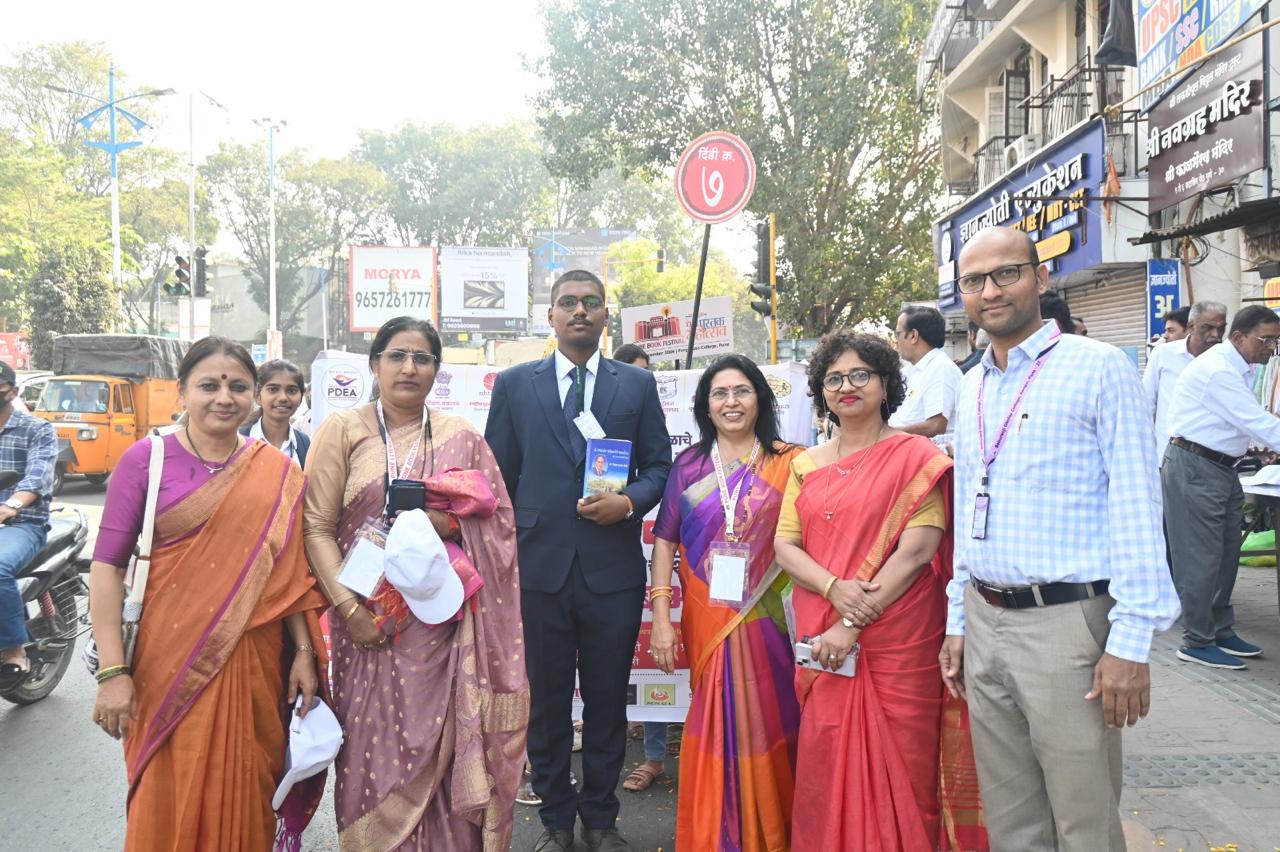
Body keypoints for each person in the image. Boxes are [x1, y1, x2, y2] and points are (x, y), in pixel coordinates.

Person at [940, 226, 1179, 850]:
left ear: (1040, 277)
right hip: (985, 618)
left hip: (1068, 626)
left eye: (1007, 273)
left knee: (1083, 822)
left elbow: (1137, 504)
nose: (991, 291)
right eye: (974, 281)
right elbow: (969, 505)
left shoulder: (1097, 368)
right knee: (1010, 821)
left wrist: (1130, 642)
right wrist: (958, 620)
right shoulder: (971, 385)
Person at [88, 337, 329, 850]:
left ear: (252, 394)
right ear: (181, 392)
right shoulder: (146, 460)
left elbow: (292, 576)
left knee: (245, 790)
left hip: (254, 662)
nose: (224, 397)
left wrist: (305, 653)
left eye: (238, 386)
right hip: (164, 664)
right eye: (208, 385)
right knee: (165, 790)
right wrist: (112, 673)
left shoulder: (280, 472)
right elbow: (107, 567)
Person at [303, 316, 528, 850]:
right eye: (397, 356)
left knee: (445, 747)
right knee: (371, 750)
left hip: (439, 625)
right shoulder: (343, 430)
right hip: (365, 625)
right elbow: (314, 526)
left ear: (436, 370)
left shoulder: (462, 436)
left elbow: (499, 524)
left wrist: (443, 522)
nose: (409, 368)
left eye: (422, 358)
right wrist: (351, 612)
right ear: (374, 364)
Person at [773, 331, 985, 851]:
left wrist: (851, 621)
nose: (847, 387)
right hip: (825, 633)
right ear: (822, 391)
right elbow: (784, 545)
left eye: (860, 375)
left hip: (899, 637)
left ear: (886, 383)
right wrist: (833, 589)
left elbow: (918, 550)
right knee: (827, 756)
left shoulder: (916, 457)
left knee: (907, 767)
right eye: (834, 379)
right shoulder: (805, 463)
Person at [486, 270, 671, 852]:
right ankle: (556, 822)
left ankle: (601, 819)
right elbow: (498, 478)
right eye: (568, 302)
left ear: (606, 315)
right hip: (538, 570)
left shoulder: (635, 385)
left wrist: (629, 502)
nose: (580, 311)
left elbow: (659, 466)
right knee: (545, 705)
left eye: (592, 302)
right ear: (551, 315)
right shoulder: (515, 384)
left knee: (608, 701)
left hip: (611, 572)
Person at [646, 355, 802, 850]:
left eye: (741, 391)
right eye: (720, 393)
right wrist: (662, 619)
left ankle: (774, 833)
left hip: (773, 620)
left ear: (760, 398)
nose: (731, 402)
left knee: (773, 716)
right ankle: (717, 835)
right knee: (716, 717)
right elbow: (665, 543)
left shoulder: (792, 462)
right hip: (706, 615)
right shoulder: (689, 465)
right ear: (706, 406)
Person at [1162, 304, 1280, 670]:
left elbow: (1237, 424)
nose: (1271, 348)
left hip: (1222, 468)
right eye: (1266, 340)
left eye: (1276, 341)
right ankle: (1196, 640)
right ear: (1240, 337)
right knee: (1200, 558)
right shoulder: (1219, 370)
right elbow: (1256, 421)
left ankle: (1220, 629)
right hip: (1195, 467)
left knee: (1227, 554)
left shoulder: (1241, 367)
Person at [609, 341, 674, 792]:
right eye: (635, 371)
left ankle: (654, 754)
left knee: (657, 665)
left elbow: (659, 467)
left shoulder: (651, 408)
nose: (642, 380)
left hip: (648, 552)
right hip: (604, 554)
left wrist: (629, 501)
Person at [0, 362, 56, 689]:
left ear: (13, 391)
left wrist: (11, 506)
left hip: (23, 523)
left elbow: (38, 477)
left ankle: (13, 650)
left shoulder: (37, 429)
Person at [1142, 301, 1227, 455]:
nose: (1216, 334)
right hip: (1167, 453)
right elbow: (1147, 403)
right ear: (1191, 327)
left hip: (1213, 455)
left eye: (1221, 329)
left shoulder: (1226, 361)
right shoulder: (1163, 354)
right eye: (1208, 328)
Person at [890, 305, 963, 437]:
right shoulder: (911, 370)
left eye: (898, 334)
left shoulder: (941, 368)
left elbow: (936, 426)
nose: (896, 341)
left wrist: (888, 435)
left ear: (913, 336)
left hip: (921, 447)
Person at [240, 359, 311, 467]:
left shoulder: (306, 444)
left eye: (291, 391)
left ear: (301, 397)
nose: (283, 398)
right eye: (273, 389)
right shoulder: (238, 442)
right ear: (257, 395)